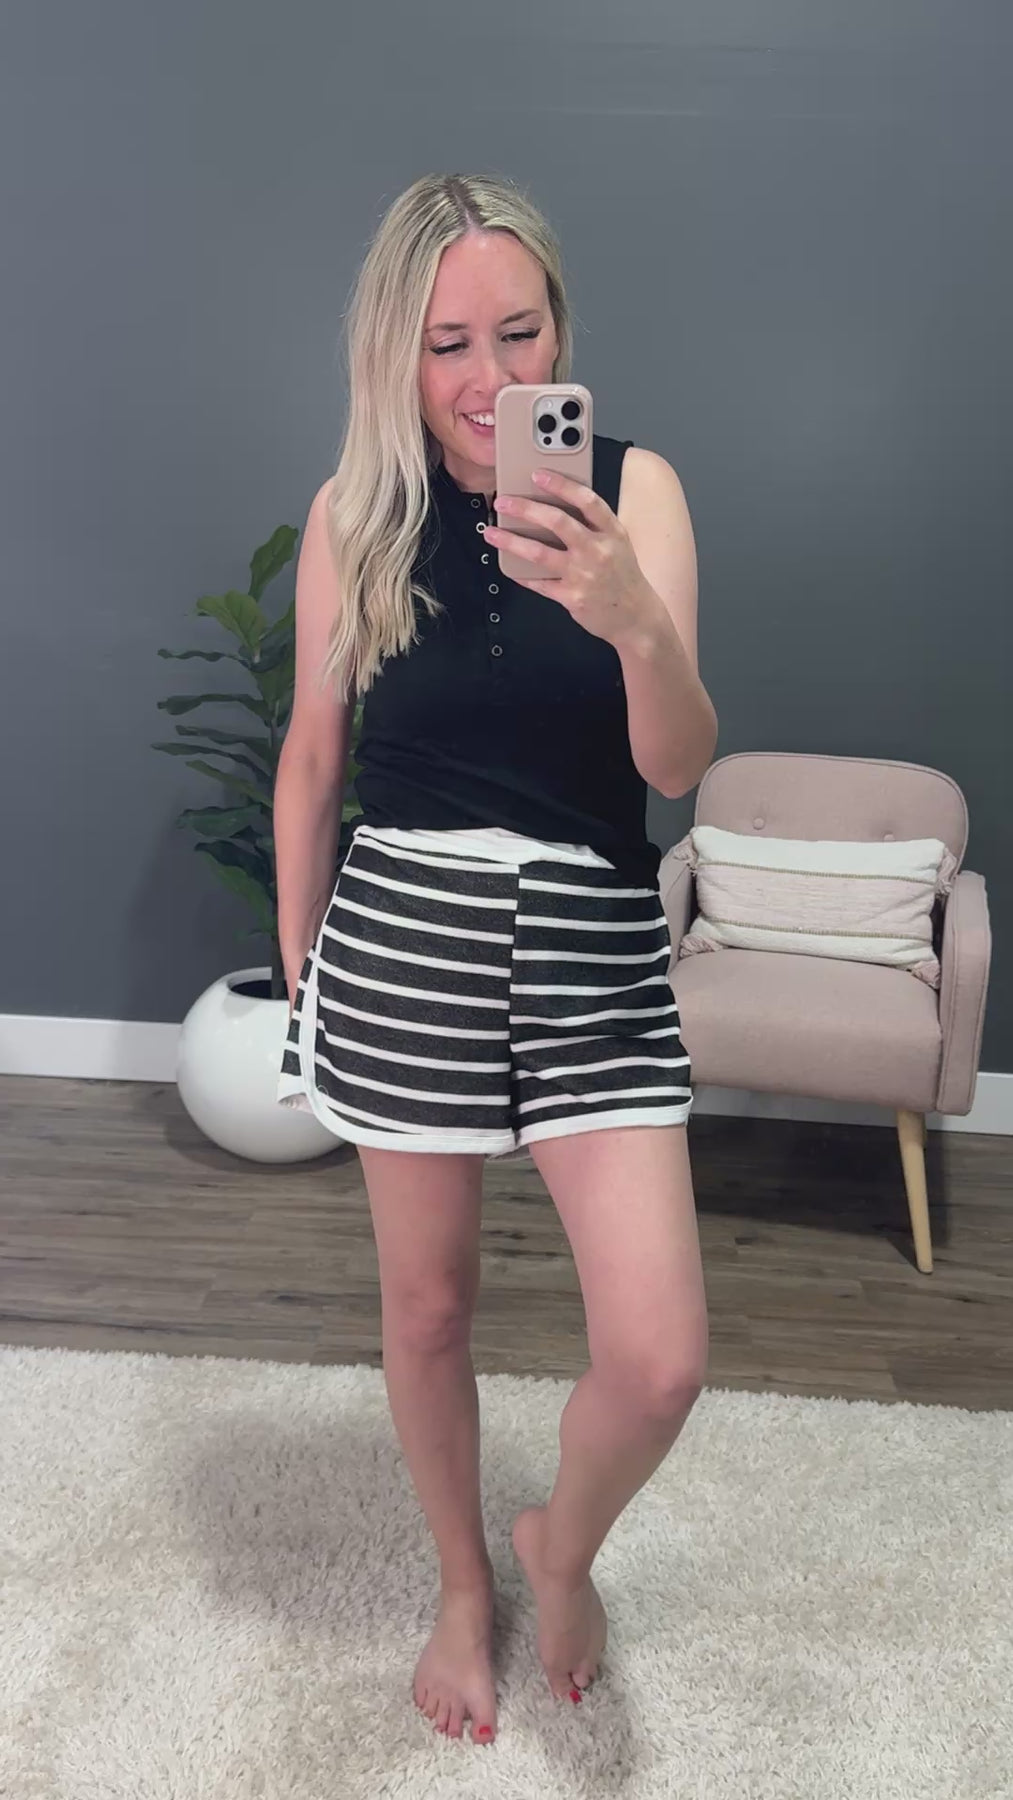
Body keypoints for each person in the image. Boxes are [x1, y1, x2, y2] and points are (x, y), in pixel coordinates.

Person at [273, 172, 717, 1749]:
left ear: (559, 331)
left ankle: (556, 1549)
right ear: (395, 354)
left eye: (517, 333)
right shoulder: (354, 518)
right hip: (404, 936)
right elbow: (312, 761)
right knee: (427, 1311)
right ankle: (463, 1586)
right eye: (448, 343)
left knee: (658, 1360)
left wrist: (631, 619)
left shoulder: (635, 489)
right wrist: (301, 977)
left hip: (591, 940)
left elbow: (672, 768)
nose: (487, 379)